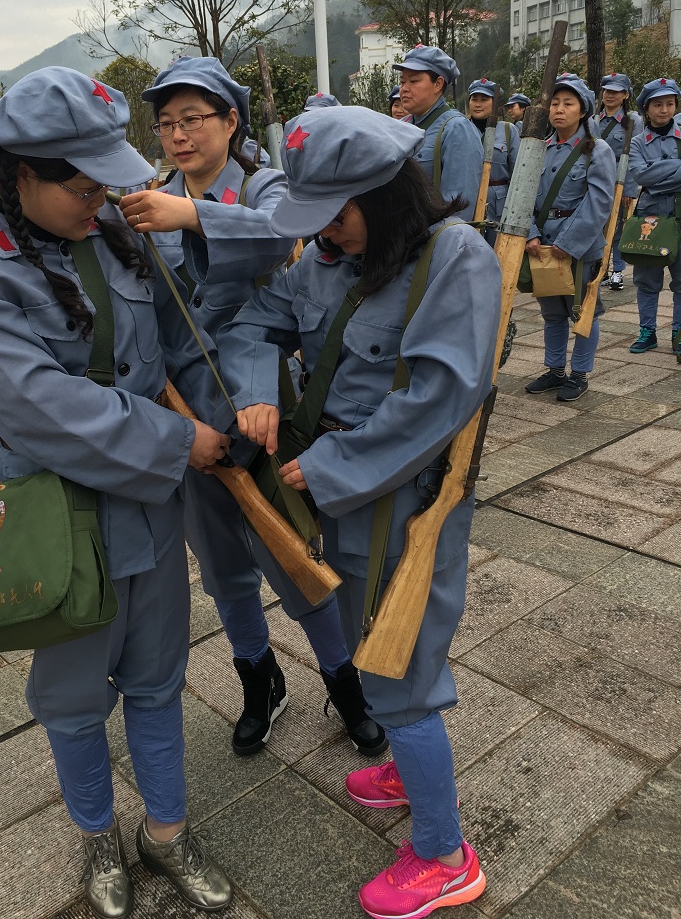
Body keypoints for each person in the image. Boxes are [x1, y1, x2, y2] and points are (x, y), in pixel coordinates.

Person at [0, 67, 235, 918]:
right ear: (15, 170)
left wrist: (227, 427)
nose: (99, 196)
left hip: (149, 504)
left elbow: (180, 338)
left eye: (107, 178)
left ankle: (165, 833)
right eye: (83, 181)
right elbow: (44, 409)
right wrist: (180, 441)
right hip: (57, 517)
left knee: (161, 674)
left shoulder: (108, 231)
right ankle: (98, 835)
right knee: (73, 696)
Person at [217, 106, 500, 919]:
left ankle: (446, 856)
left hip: (401, 495)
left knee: (398, 664)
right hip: (331, 483)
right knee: (363, 636)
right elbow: (257, 322)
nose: (325, 238)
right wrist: (260, 390)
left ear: (383, 197)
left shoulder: (456, 259)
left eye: (335, 217)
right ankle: (412, 769)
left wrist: (335, 462)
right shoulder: (330, 259)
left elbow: (439, 398)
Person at [119, 56, 386, 760]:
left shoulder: (265, 184)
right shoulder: (152, 196)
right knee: (220, 561)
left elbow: (279, 235)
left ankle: (344, 678)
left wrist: (194, 214)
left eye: (193, 119)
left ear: (231, 120)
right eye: (167, 123)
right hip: (188, 412)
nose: (178, 135)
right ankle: (257, 676)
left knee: (290, 545)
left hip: (261, 400)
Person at [524, 74, 616, 401]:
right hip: (545, 245)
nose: (559, 109)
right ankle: (554, 370)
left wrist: (568, 242)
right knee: (551, 312)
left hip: (579, 247)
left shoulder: (596, 149)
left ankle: (579, 374)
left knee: (582, 311)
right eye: (555, 103)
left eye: (568, 103)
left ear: (583, 110)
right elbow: (527, 195)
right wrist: (532, 235)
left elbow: (599, 202)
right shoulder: (541, 150)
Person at [393, 45, 482, 218]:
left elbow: (458, 208)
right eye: (402, 81)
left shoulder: (456, 129)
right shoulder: (400, 126)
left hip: (431, 239)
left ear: (438, 84)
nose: (404, 88)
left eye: (413, 81)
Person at [627, 77, 681, 360]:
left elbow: (650, 176)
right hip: (649, 219)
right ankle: (647, 332)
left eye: (669, 104)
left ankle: (678, 333)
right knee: (647, 280)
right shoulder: (637, 142)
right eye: (658, 104)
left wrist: (656, 174)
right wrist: (676, 169)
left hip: (679, 217)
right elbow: (640, 175)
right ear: (646, 109)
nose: (664, 110)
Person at [596, 73, 643, 290]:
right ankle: (601, 268)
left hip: (619, 181)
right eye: (606, 90)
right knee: (598, 226)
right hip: (596, 181)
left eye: (615, 91)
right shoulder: (594, 120)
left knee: (617, 228)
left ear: (625, 95)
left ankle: (617, 271)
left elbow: (635, 156)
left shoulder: (633, 121)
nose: (609, 95)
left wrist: (629, 188)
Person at [466, 78, 520, 242]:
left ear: (494, 102)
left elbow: (518, 173)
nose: (478, 104)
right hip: (470, 199)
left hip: (500, 206)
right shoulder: (461, 128)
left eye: (484, 100)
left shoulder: (507, 130)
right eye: (474, 99)